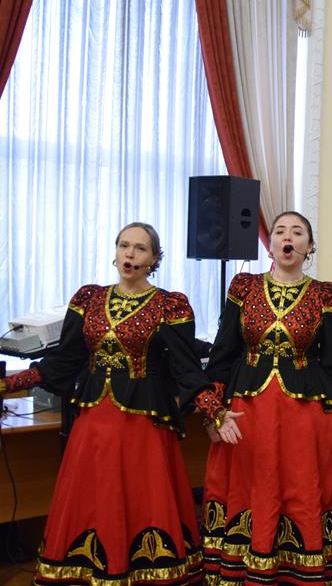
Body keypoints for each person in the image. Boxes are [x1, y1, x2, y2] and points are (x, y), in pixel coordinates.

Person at [0, 221, 238, 585]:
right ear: (115, 252)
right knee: (94, 498)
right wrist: (8, 384)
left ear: (154, 259)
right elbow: (64, 361)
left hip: (144, 426)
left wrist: (214, 410)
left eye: (140, 248)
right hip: (94, 422)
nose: (130, 253)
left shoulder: (169, 306)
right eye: (124, 245)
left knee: (143, 498)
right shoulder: (89, 300)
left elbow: (186, 369)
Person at [201, 211, 332, 585]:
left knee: (300, 488)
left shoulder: (327, 295)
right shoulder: (243, 287)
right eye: (280, 231)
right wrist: (214, 411)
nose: (287, 238)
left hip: (304, 416)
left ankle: (300, 571)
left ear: (309, 246)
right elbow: (223, 353)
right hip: (248, 414)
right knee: (251, 488)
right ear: (271, 243)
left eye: (297, 232)